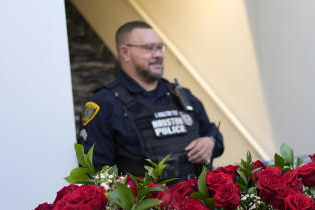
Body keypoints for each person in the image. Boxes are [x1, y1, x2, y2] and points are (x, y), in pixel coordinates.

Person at [77, 21, 224, 180]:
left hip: (194, 200)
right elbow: (95, 174)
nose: (158, 55)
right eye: (149, 48)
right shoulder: (104, 104)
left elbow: (214, 136)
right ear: (125, 52)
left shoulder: (181, 96)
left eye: (160, 47)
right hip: (145, 203)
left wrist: (210, 142)